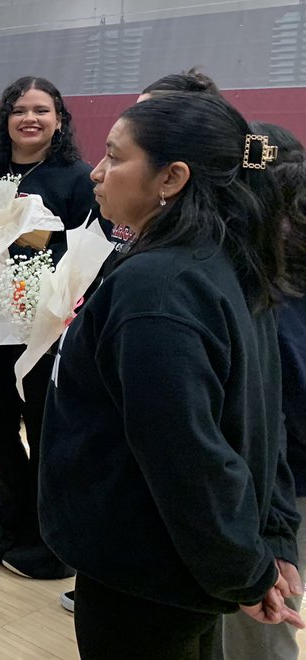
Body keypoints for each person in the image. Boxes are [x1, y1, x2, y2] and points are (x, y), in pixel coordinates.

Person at [40, 93, 304, 659]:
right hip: (177, 572)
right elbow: (258, 420)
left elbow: (190, 457)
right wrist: (270, 541)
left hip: (144, 574)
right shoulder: (226, 261)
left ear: (172, 177)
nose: (98, 171)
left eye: (115, 157)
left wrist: (248, 567)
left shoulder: (159, 289)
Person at [0, 76, 94, 576]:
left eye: (42, 110)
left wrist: (41, 261)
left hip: (47, 334)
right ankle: (12, 526)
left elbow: (90, 255)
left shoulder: (78, 179)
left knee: (47, 433)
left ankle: (54, 545)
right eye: (19, 109)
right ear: (5, 118)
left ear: (59, 120)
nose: (30, 118)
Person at [222, 121, 306, 660]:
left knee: (265, 624)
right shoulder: (244, 272)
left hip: (279, 483)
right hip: (273, 483)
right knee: (265, 622)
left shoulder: (254, 279)